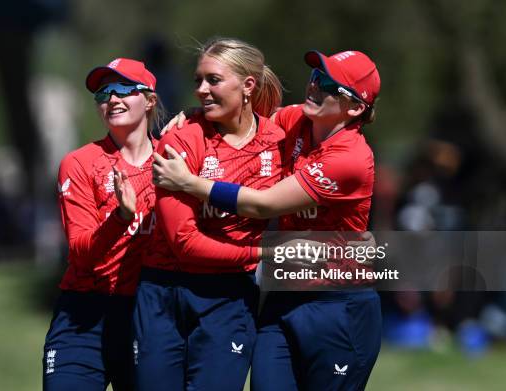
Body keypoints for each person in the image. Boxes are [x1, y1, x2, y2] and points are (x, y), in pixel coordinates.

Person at [153, 50, 382, 390]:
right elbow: (241, 115)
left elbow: (263, 205)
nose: (315, 88)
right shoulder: (297, 120)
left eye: (330, 86)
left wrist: (189, 183)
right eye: (316, 77)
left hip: (338, 305)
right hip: (283, 297)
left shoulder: (350, 157)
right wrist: (195, 113)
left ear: (356, 108)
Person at [131, 37, 284, 391]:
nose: (200, 90)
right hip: (165, 291)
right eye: (198, 80)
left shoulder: (280, 140)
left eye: (213, 80)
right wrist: (262, 255)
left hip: (230, 296)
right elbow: (184, 242)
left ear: (248, 85)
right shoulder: (181, 141)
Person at [42, 58, 164, 391]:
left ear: (150, 99)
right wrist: (120, 219)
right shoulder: (80, 162)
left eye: (123, 88)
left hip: (149, 313)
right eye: (103, 92)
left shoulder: (175, 160)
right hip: (85, 313)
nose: (111, 98)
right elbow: (81, 253)